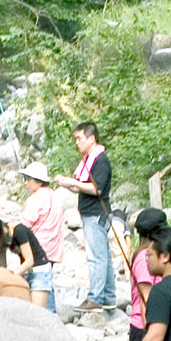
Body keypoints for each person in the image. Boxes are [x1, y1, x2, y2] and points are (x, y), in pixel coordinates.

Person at [57, 122, 115, 310]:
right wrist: (68, 184)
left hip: (97, 213)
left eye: (79, 138)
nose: (77, 142)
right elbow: (83, 187)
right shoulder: (89, 159)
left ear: (91, 139)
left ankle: (96, 298)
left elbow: (96, 188)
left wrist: (73, 182)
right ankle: (108, 296)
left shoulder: (100, 161)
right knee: (102, 255)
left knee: (96, 257)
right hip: (90, 213)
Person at [0, 213, 51, 310]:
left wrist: (10, 277)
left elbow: (29, 260)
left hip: (38, 272)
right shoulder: (0, 241)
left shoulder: (18, 230)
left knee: (37, 312)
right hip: (23, 274)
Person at [17, 162, 64, 310]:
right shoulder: (53, 196)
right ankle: (53, 315)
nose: (26, 183)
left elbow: (25, 222)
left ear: (36, 181)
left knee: (39, 285)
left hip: (38, 250)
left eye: (28, 180)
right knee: (47, 283)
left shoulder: (35, 199)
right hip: (53, 249)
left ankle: (48, 314)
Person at [126, 207, 167, 341]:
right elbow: (147, 299)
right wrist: (153, 333)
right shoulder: (144, 258)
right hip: (143, 327)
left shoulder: (152, 256)